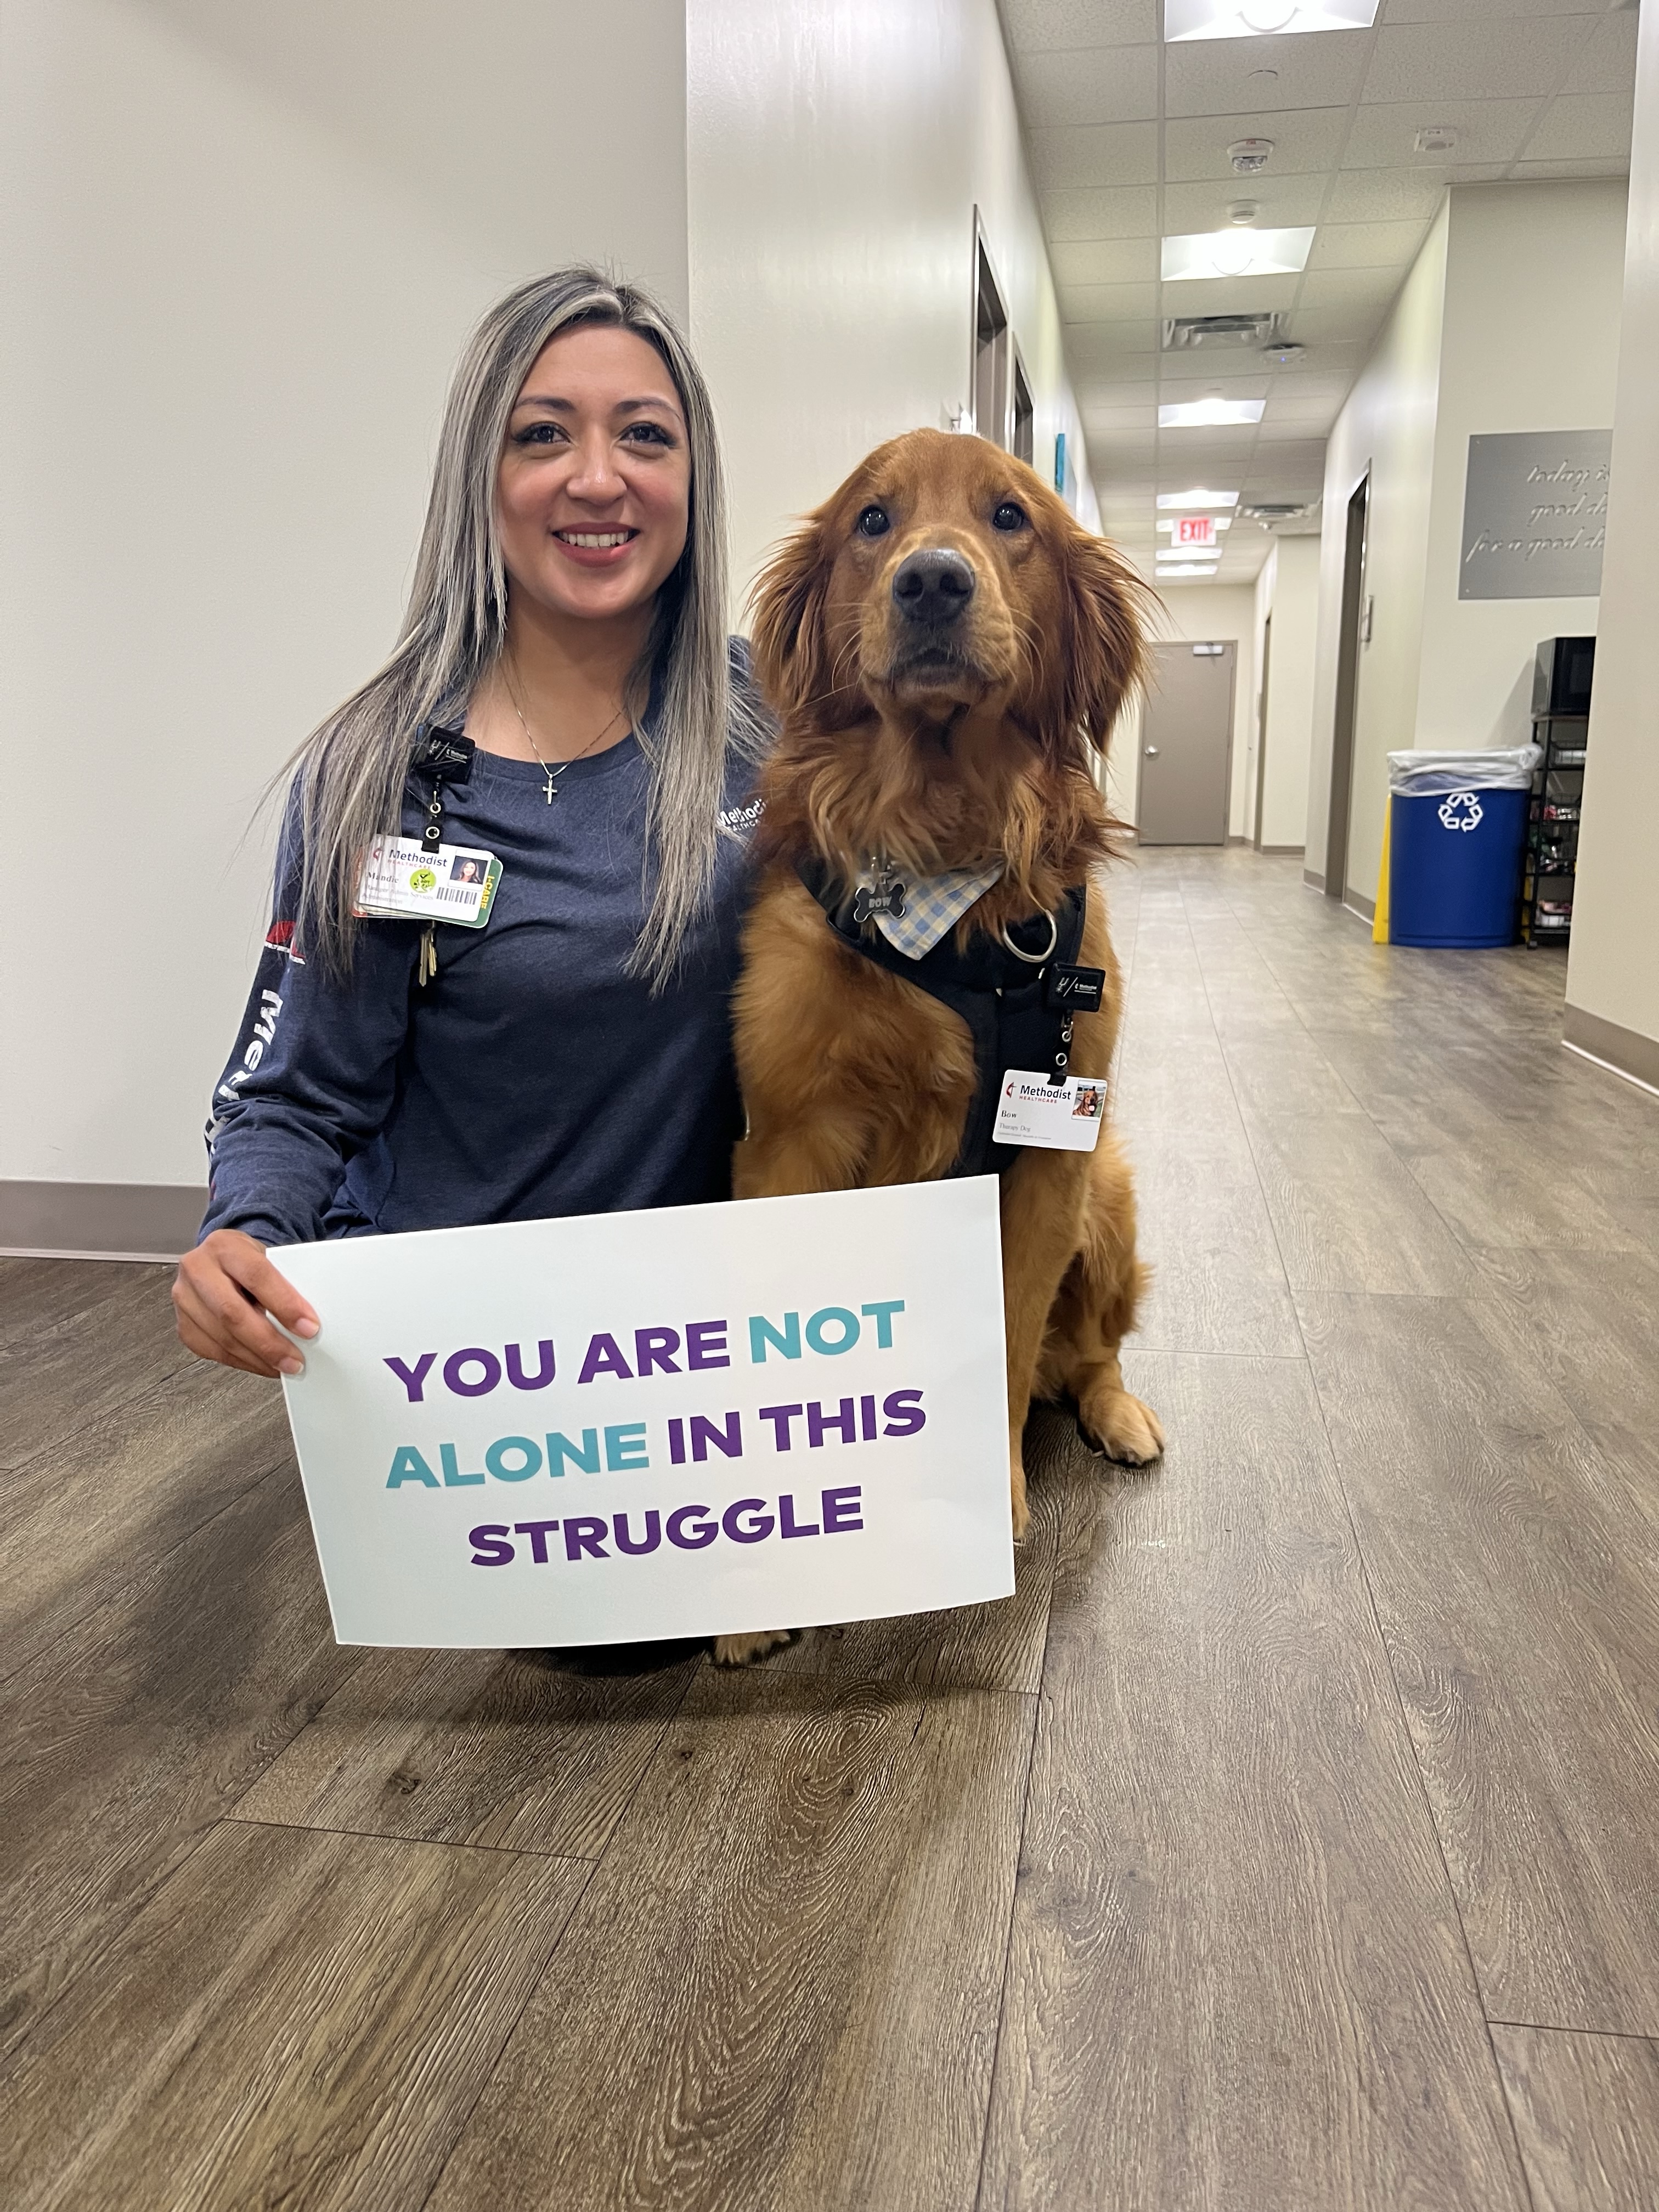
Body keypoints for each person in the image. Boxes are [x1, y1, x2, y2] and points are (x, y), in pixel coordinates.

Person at [173, 268, 767, 1380]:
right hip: (452, 1363)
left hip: (692, 1353)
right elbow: (294, 1096)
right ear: (478, 477)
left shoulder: (773, 723)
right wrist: (244, 1239)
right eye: (543, 435)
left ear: (694, 478)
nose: (599, 478)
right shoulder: (378, 769)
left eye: (645, 435)